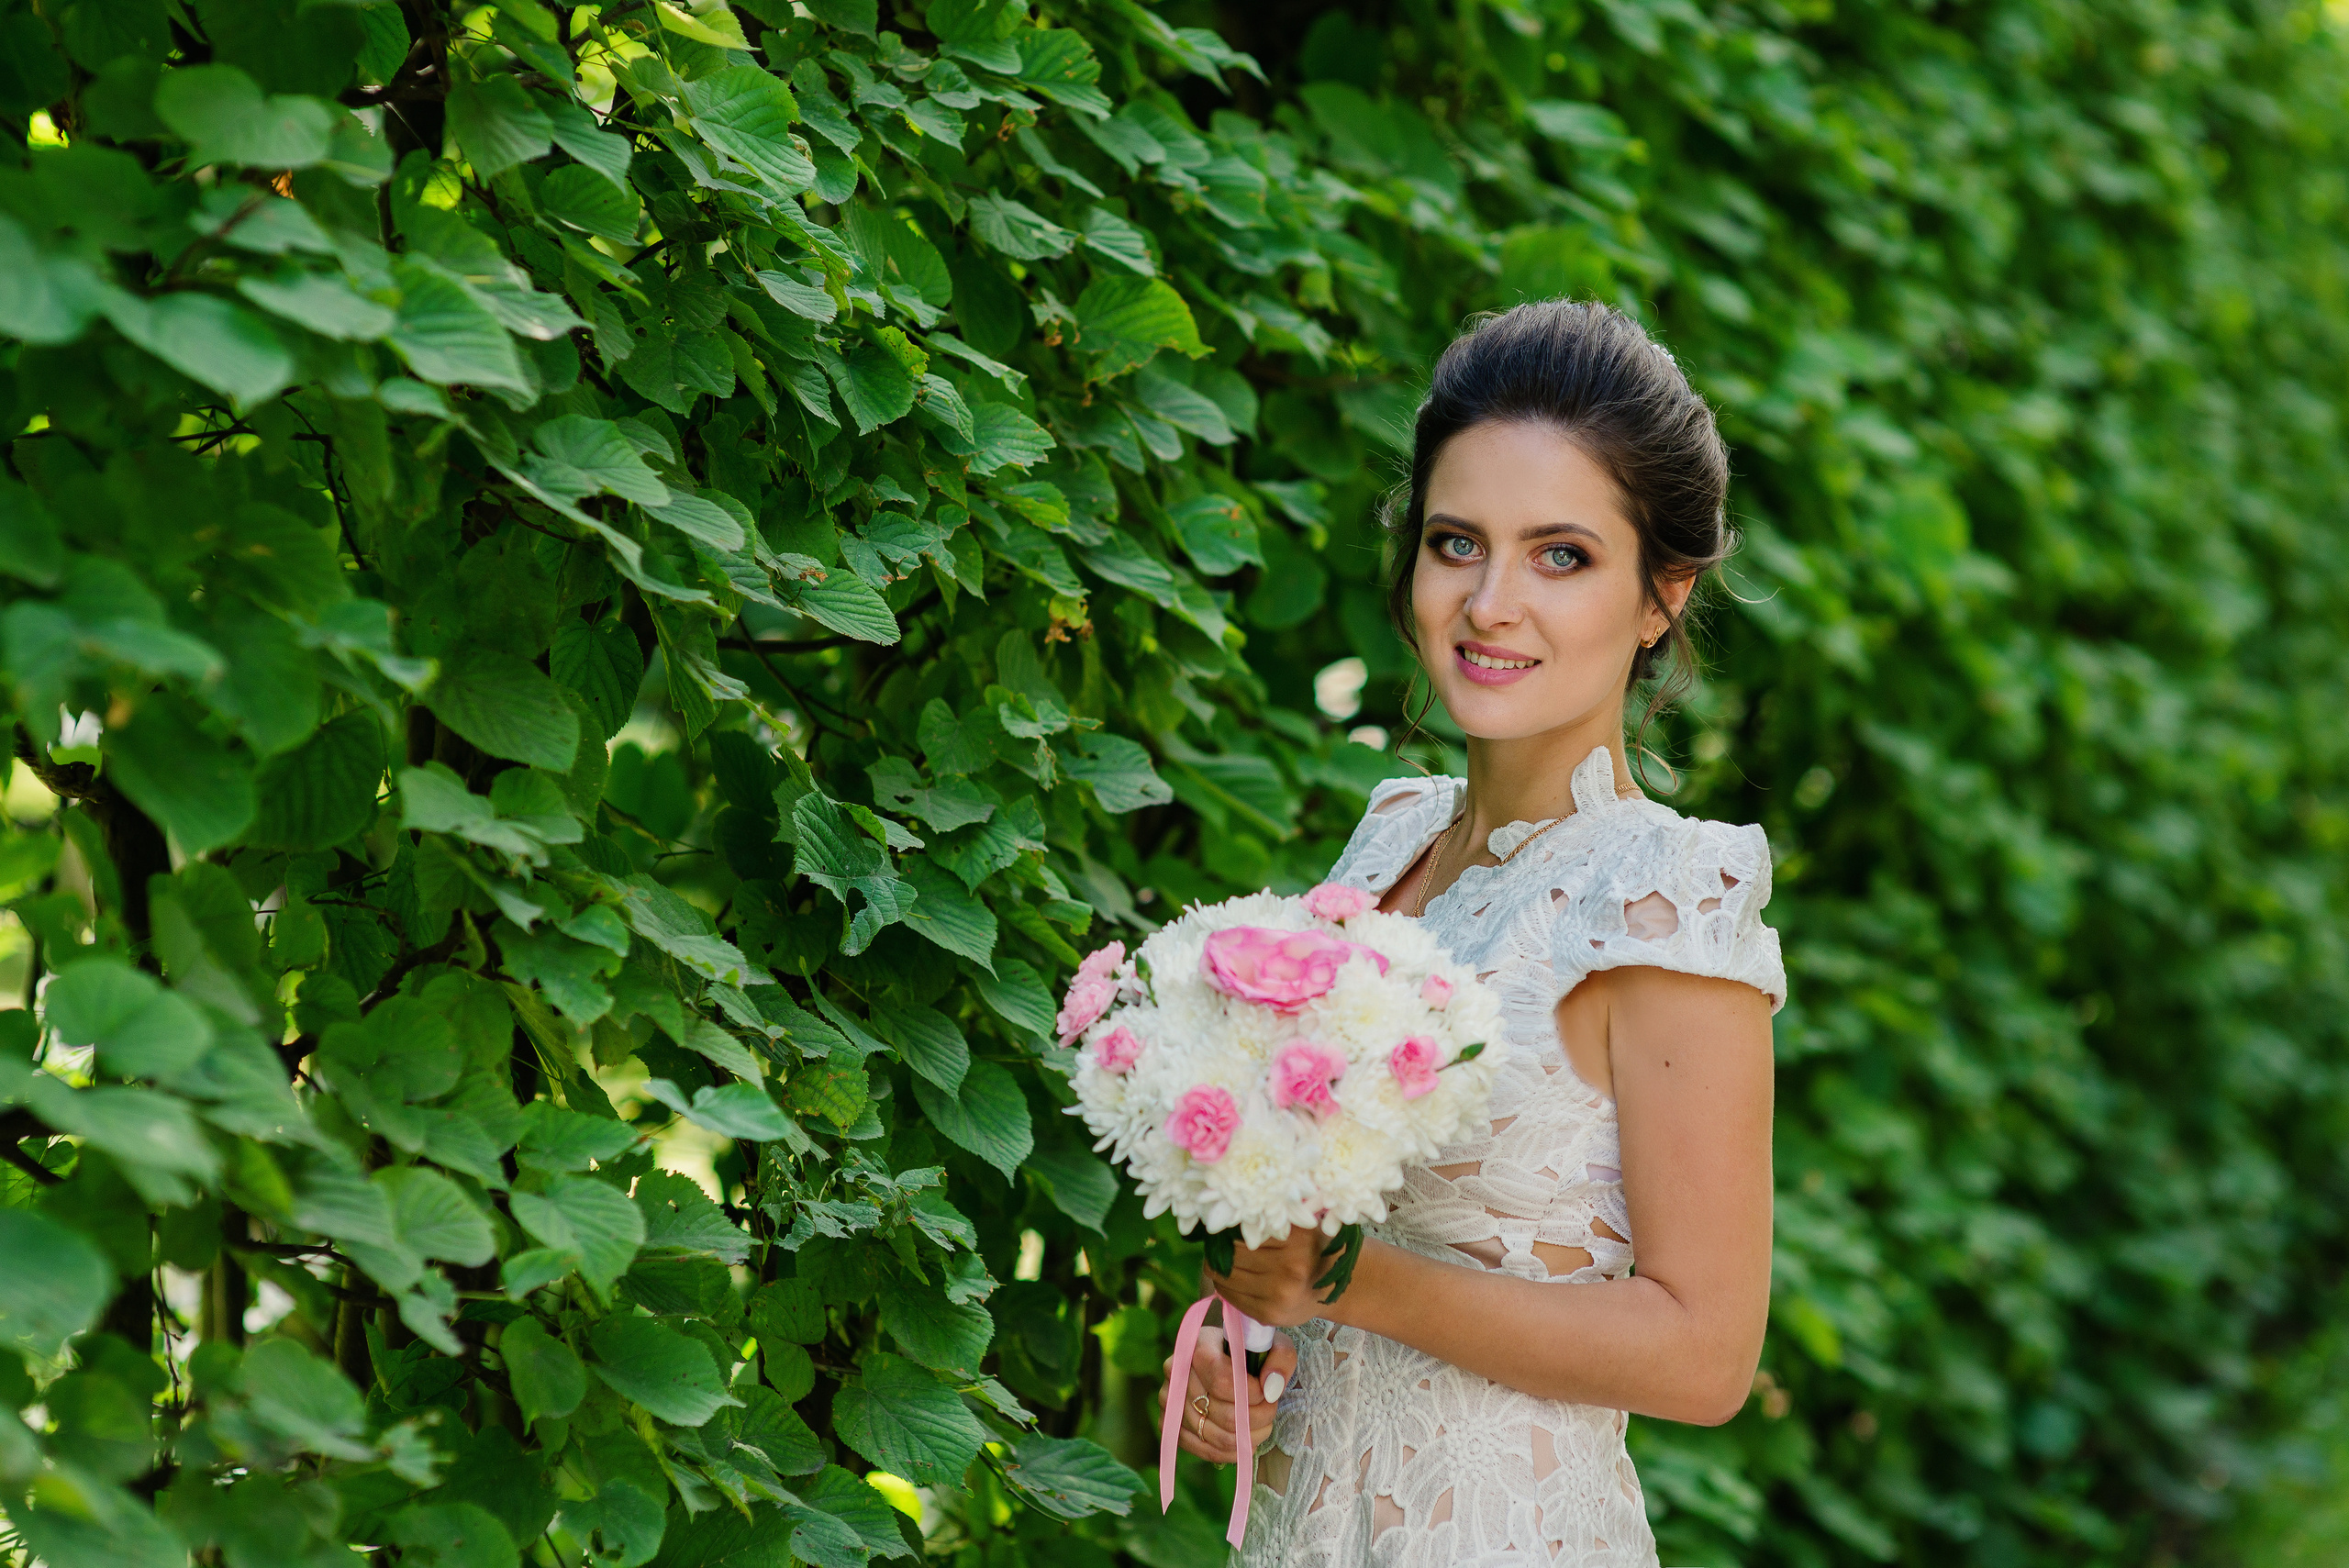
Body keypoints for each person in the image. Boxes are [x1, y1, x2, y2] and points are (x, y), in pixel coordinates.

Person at [1159, 300, 1786, 1566]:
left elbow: (1706, 1353)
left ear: (1662, 594)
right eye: (1458, 543)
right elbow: (1319, 1245)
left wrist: (1344, 1282)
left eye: (1561, 556)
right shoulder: (1388, 845)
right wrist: (1257, 1353)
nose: (1492, 602)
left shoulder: (1662, 896)